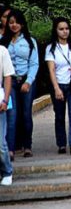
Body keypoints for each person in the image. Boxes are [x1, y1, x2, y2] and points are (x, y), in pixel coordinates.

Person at [0, 10, 39, 160]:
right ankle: (10, 149)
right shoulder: (3, 42)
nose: (14, 25)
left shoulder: (30, 41)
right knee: (12, 115)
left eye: (16, 22)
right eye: (11, 22)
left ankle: (27, 146)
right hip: (10, 83)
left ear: (22, 24)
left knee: (26, 114)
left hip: (26, 80)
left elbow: (34, 63)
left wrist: (28, 81)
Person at [45, 17, 71, 155]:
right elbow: (51, 69)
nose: (64, 32)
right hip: (59, 83)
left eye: (67, 29)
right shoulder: (51, 48)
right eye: (61, 29)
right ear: (56, 30)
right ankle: (62, 144)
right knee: (60, 115)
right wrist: (56, 88)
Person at [0, 41, 12, 185]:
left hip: (0, 100)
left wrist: (5, 99)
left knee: (1, 144)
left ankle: (7, 170)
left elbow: (7, 76)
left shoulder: (2, 51)